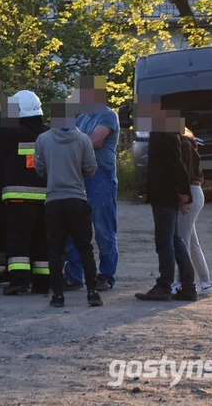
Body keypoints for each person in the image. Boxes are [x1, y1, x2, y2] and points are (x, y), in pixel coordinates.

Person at [34, 105, 103, 308]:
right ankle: (92, 293)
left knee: (55, 249)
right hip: (77, 199)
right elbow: (91, 169)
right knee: (85, 248)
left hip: (53, 200)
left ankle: (57, 295)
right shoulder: (83, 140)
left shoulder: (43, 139)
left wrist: (53, 175)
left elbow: (40, 168)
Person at [0, 90, 50, 295]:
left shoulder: (10, 132)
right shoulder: (46, 133)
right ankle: (43, 282)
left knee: (18, 240)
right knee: (42, 240)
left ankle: (19, 281)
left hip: (18, 197)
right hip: (45, 196)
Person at [135, 104, 196, 302]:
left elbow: (177, 168)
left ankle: (164, 286)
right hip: (166, 195)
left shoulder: (163, 135)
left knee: (165, 242)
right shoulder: (166, 134)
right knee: (175, 241)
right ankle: (188, 286)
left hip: (164, 196)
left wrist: (185, 194)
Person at [64, 76, 120, 292]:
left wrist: (72, 141)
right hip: (81, 177)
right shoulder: (81, 119)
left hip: (101, 177)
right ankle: (74, 275)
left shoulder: (107, 115)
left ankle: (106, 275)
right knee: (76, 228)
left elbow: (94, 141)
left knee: (104, 229)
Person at [177, 127, 212, 296]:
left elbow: (185, 172)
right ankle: (205, 282)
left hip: (190, 192)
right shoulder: (187, 142)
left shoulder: (183, 143)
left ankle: (180, 282)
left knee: (182, 241)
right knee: (191, 241)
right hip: (194, 191)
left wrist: (183, 197)